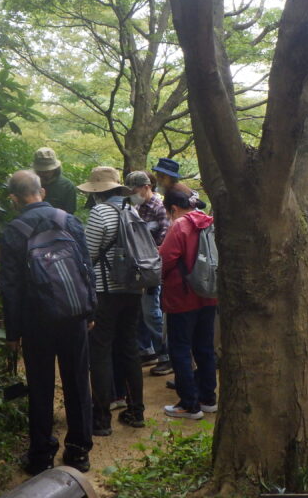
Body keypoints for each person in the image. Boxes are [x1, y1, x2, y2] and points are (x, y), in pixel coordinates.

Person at [0, 170, 93, 474]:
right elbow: (85, 268)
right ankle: (78, 451)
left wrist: (13, 332)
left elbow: (10, 285)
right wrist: (89, 309)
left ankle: (41, 456)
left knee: (40, 387)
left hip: (36, 321)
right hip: (73, 315)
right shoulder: (69, 220)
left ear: (14, 198)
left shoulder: (13, 231)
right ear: (43, 192)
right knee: (77, 382)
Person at [78, 166, 146, 435]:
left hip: (106, 291)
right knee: (129, 348)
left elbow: (88, 254)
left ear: (98, 192)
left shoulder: (100, 212)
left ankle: (102, 419)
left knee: (101, 350)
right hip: (132, 290)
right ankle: (136, 411)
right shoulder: (132, 211)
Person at [158, 184, 218, 419]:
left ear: (173, 208)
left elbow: (166, 260)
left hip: (182, 297)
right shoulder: (209, 221)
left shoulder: (180, 226)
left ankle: (188, 404)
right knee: (204, 348)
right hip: (208, 294)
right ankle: (208, 398)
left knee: (181, 349)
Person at [124, 171, 172, 377]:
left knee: (152, 313)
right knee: (141, 313)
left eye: (135, 190)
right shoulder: (135, 208)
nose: (133, 194)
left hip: (152, 268)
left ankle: (167, 355)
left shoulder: (159, 209)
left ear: (146, 187)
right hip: (138, 267)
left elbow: (164, 239)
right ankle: (147, 350)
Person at [33, 147, 76, 214]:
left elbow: (69, 214)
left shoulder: (67, 186)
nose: (42, 174)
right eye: (39, 171)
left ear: (54, 170)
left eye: (46, 172)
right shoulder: (30, 184)